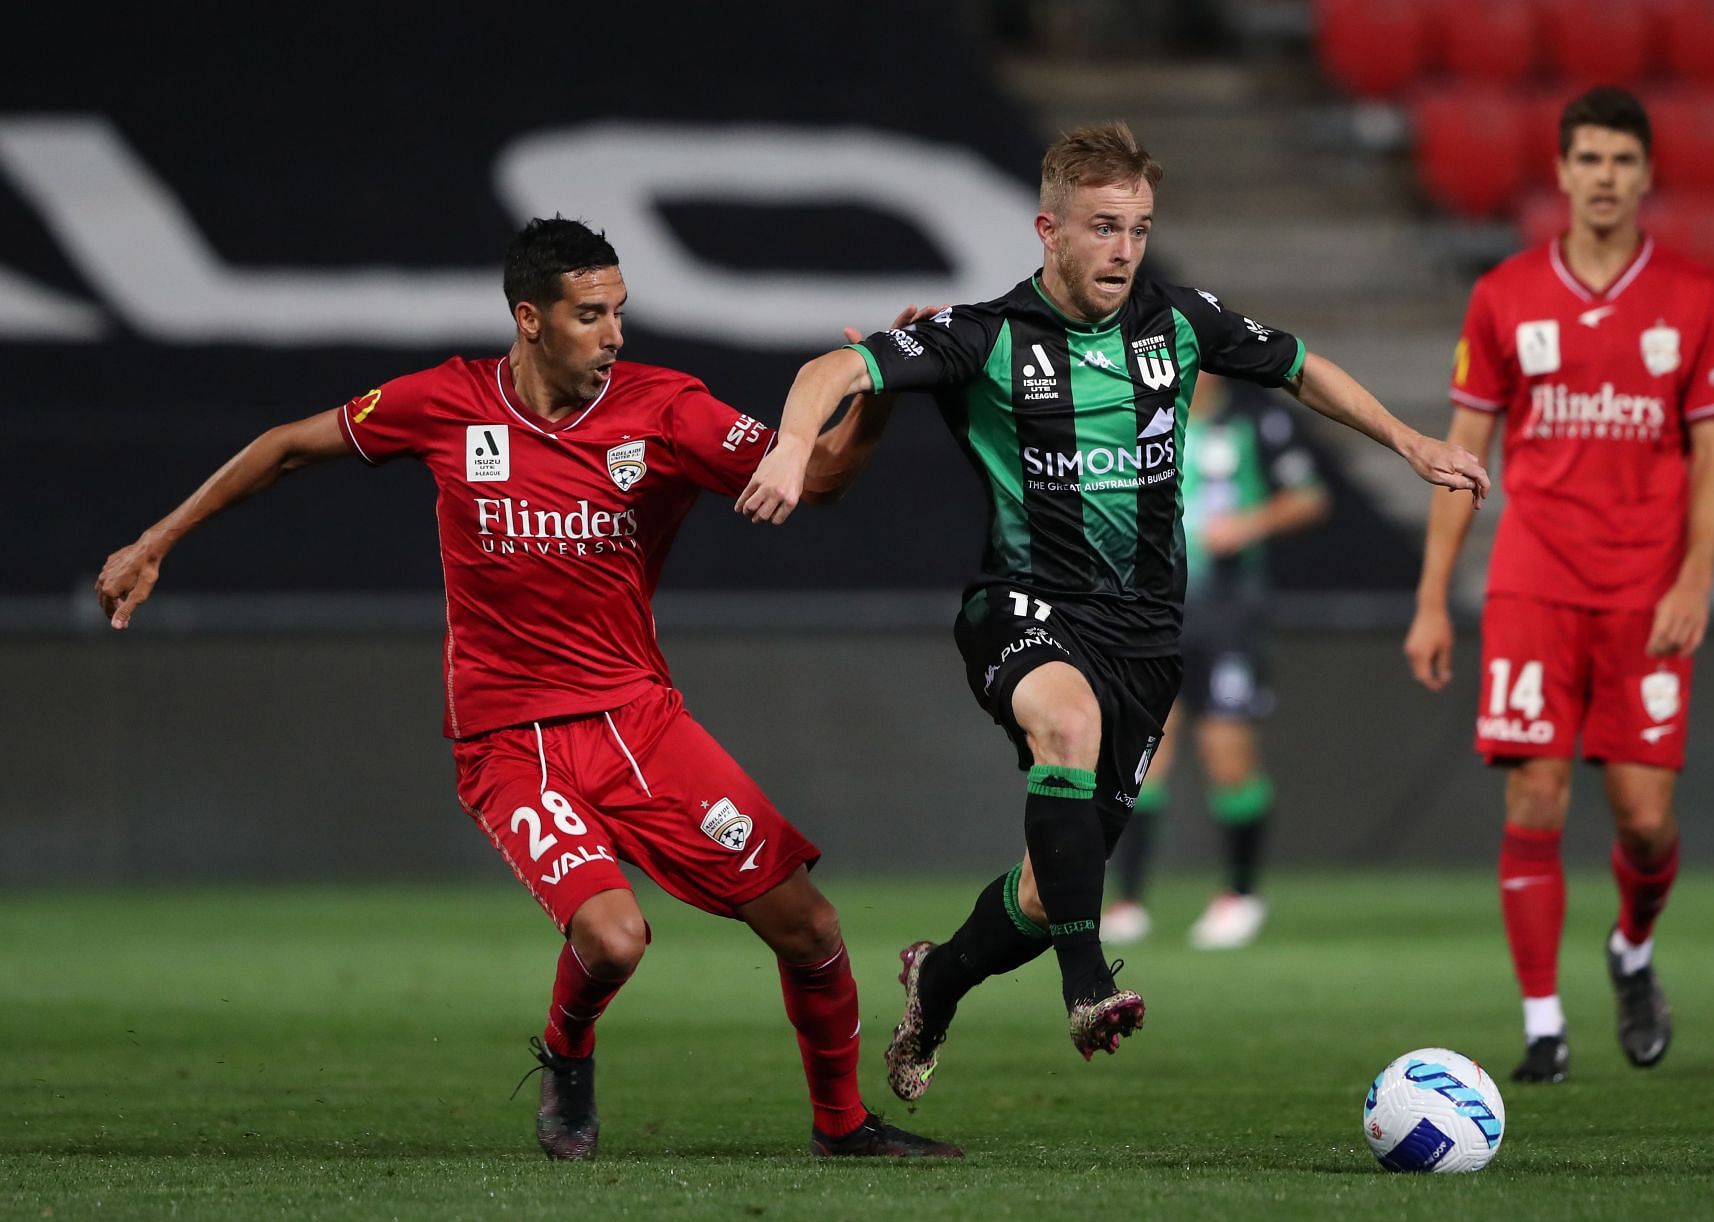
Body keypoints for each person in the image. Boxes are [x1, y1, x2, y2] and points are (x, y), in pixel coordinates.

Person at [93, 217, 960, 1161]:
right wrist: (154, 541)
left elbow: (819, 477)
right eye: (592, 316)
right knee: (616, 938)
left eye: (620, 312)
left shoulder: (666, 411)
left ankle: (842, 1129)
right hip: (507, 742)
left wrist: (874, 399)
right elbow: (287, 446)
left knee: (810, 926)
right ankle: (566, 1051)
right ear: (531, 319)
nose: (615, 335)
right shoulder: (447, 402)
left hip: (636, 722)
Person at [733, 121, 1488, 1099]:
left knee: (1053, 891)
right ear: (1050, 229)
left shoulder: (1180, 323)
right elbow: (832, 370)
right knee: (1068, 723)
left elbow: (1301, 364)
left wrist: (1409, 439)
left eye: (1138, 228)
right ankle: (1088, 984)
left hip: (1144, 639)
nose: (1124, 250)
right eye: (1103, 228)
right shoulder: (989, 336)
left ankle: (939, 979)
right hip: (1021, 605)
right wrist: (795, 445)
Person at [1402, 86, 1714, 1084]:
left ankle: (1631, 949)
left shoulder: (1694, 297)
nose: (1604, 177)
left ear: (1645, 175)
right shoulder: (1505, 293)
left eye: (1622, 161)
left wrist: (1695, 577)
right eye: (1587, 159)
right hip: (1534, 582)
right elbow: (1464, 451)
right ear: (1561, 171)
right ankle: (1544, 1022)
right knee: (1537, 796)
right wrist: (1433, 595)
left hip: (1646, 589)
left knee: (1643, 817)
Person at [1103, 370, 1331, 950]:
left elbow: (1309, 496)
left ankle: (1241, 894)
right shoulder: (1141, 424)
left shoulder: (1258, 421)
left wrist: (1248, 524)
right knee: (1144, 753)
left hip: (1230, 614)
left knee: (1227, 753)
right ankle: (1127, 903)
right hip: (1154, 611)